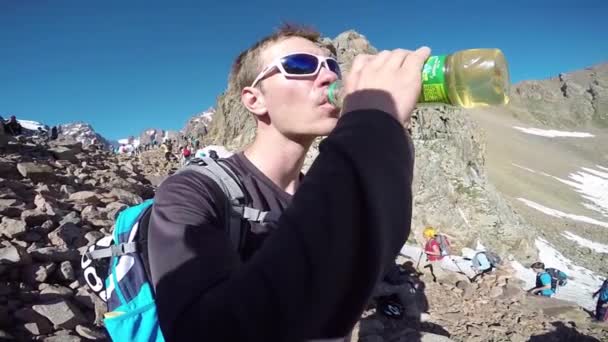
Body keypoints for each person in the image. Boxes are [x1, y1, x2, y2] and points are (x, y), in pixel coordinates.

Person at [147, 23, 429, 341]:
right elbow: (201, 331)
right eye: (300, 66)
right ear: (254, 100)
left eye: (332, 66)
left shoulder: (322, 191)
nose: (329, 78)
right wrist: (371, 127)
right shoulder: (192, 191)